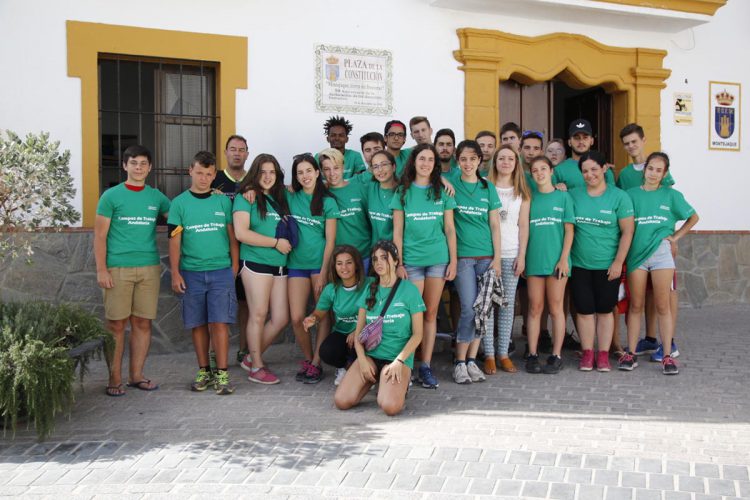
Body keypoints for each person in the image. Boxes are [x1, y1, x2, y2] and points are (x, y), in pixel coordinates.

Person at [95, 145, 170, 397]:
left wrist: (210, 196)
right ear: (125, 166)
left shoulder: (157, 197)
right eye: (134, 163)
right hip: (117, 268)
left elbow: (179, 217)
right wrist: (101, 270)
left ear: (149, 168)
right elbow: (99, 236)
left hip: (149, 267)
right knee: (116, 325)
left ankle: (136, 376)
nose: (139, 168)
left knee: (142, 322)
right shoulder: (110, 196)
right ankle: (114, 378)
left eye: (143, 163)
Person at [620, 152, 699, 375]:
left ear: (664, 174)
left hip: (662, 254)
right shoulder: (631, 195)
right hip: (637, 256)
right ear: (644, 169)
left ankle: (666, 355)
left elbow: (693, 217)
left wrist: (675, 237)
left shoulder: (671, 195)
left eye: (659, 170)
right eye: (651, 168)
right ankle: (631, 353)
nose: (653, 173)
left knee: (663, 305)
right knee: (636, 305)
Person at [168, 151, 239, 395]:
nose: (204, 178)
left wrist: (234, 265)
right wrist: (176, 273)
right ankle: (204, 370)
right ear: (191, 171)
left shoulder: (222, 201)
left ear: (214, 175)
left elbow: (232, 237)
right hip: (192, 273)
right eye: (199, 172)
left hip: (221, 272)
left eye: (209, 174)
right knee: (197, 324)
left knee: (220, 323)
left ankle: (222, 373)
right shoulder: (178, 204)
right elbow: (174, 241)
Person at [391, 144, 458, 389]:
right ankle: (405, 365)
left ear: (435, 164)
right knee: (411, 316)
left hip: (438, 261)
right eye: (422, 158)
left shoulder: (443, 191)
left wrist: (453, 260)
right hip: (412, 263)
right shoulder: (402, 191)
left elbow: (449, 229)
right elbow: (397, 232)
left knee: (430, 314)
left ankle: (426, 366)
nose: (426, 163)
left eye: (430, 159)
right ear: (414, 161)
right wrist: (398, 263)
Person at [333, 240, 425, 416]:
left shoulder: (409, 290)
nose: (379, 263)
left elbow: (418, 335)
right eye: (375, 259)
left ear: (396, 260)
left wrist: (399, 361)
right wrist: (361, 360)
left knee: (390, 407)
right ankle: (372, 379)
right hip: (371, 356)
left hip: (397, 359)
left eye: (384, 257)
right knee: (341, 401)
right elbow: (359, 334)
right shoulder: (369, 290)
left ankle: (392, 384)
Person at [616, 123, 678, 360]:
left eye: (634, 141)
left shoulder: (659, 165)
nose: (631, 146)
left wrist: (672, 236)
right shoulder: (625, 174)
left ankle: (668, 342)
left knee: (664, 296)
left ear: (642, 140)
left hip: (659, 243)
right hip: (637, 244)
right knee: (640, 298)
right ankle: (649, 339)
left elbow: (668, 203)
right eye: (626, 143)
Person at [568, 151, 634, 372]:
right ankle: (588, 353)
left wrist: (618, 262)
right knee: (585, 310)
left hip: (608, 265)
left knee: (606, 309)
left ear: (604, 168)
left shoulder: (619, 197)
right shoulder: (573, 195)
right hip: (579, 264)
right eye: (585, 171)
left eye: (594, 169)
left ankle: (603, 354)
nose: (590, 175)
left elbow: (627, 232)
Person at [233, 153, 292, 385]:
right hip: (256, 263)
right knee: (258, 314)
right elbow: (241, 233)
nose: (267, 177)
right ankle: (256, 366)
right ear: (255, 173)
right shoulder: (245, 198)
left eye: (272, 172)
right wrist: (276, 243)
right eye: (263, 172)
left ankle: (250, 357)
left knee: (280, 318)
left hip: (280, 265)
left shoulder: (281, 197)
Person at [450, 140, 502, 384]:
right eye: (463, 159)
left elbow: (494, 224)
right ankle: (459, 362)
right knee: (469, 308)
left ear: (480, 160)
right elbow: (433, 178)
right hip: (463, 258)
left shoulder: (487, 188)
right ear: (457, 161)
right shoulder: (451, 184)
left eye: (473, 158)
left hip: (486, 257)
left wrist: (498, 258)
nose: (468, 163)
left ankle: (471, 361)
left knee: (483, 310)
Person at [287, 154, 340, 384]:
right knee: (297, 317)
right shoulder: (291, 197)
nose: (305, 176)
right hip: (296, 265)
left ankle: (317, 363)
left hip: (320, 266)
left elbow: (330, 241)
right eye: (300, 172)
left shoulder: (328, 202)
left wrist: (325, 271)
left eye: (309, 171)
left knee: (323, 315)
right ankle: (309, 359)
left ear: (317, 173)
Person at [524, 156, 575, 375]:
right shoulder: (528, 197)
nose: (539, 173)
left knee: (556, 308)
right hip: (535, 260)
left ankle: (556, 355)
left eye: (543, 169)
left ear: (551, 171)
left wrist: (563, 258)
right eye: (535, 170)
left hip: (557, 262)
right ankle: (533, 353)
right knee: (535, 308)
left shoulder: (563, 197)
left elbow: (569, 230)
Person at [483, 145, 530, 374]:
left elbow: (523, 226)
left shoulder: (522, 191)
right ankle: (489, 354)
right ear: (495, 161)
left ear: (516, 162)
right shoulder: (484, 186)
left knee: (507, 306)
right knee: (487, 306)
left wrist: (522, 256)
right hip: (488, 254)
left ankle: (503, 353)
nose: (505, 162)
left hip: (511, 254)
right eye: (501, 158)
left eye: (510, 158)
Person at [304, 245, 372, 386]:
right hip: (342, 334)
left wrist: (358, 331)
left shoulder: (370, 284)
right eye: (339, 263)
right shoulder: (331, 289)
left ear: (357, 265)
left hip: (366, 333)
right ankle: (344, 368)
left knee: (361, 347)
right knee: (327, 351)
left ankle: (365, 371)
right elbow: (319, 313)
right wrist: (313, 319)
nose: (344, 268)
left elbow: (377, 313)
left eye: (349, 262)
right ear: (334, 267)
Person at [212, 135, 250, 365]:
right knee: (219, 305)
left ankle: (244, 349)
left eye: (242, 149)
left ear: (247, 153)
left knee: (245, 305)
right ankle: (216, 352)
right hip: (220, 253)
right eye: (233, 149)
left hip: (248, 253)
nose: (237, 153)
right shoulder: (213, 179)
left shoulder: (253, 180)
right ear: (225, 152)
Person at [319, 148, 372, 269]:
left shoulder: (359, 188)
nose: (332, 173)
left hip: (364, 256)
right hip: (338, 260)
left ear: (343, 167)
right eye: (327, 169)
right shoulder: (321, 193)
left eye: (336, 168)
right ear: (321, 171)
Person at [553, 119, 615, 190]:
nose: (581, 141)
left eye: (585, 137)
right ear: (569, 142)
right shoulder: (559, 170)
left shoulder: (603, 168)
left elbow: (612, 196)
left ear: (592, 141)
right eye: (576, 138)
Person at [366, 150, 398, 246]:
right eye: (375, 166)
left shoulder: (402, 191)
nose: (380, 170)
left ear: (393, 167)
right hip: (375, 252)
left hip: (395, 251)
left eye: (384, 165)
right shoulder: (369, 188)